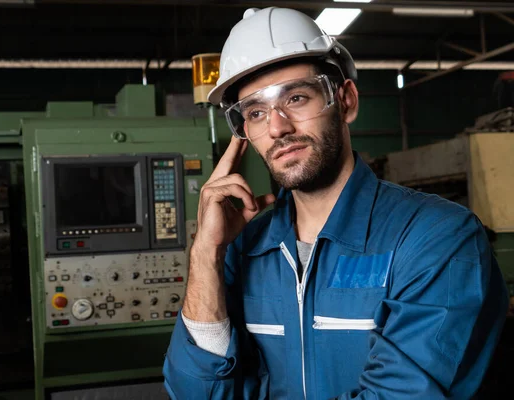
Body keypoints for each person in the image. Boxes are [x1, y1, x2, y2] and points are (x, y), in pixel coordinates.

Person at [163, 7, 508, 399]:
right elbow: (195, 393)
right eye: (256, 113)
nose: (278, 127)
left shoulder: (438, 238)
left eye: (296, 97)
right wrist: (206, 253)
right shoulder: (241, 249)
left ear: (346, 101)